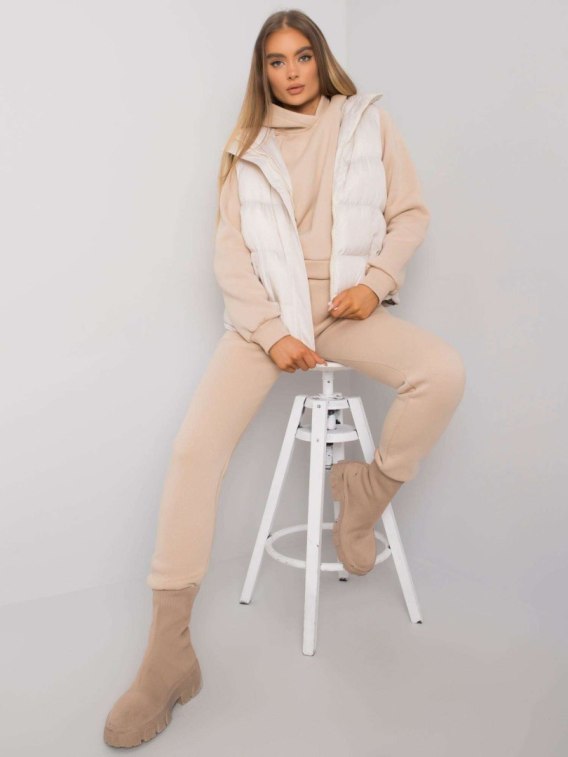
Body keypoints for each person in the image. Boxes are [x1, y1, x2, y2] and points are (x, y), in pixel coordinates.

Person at [103, 9, 466, 748]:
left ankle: (365, 493)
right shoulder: (246, 147)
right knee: (193, 452)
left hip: (344, 308)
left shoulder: (366, 122)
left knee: (442, 372)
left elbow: (410, 214)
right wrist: (272, 332)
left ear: (320, 60)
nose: (292, 72)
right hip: (267, 320)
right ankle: (168, 655)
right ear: (261, 71)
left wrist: (375, 282)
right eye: (277, 61)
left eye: (303, 56)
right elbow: (231, 257)